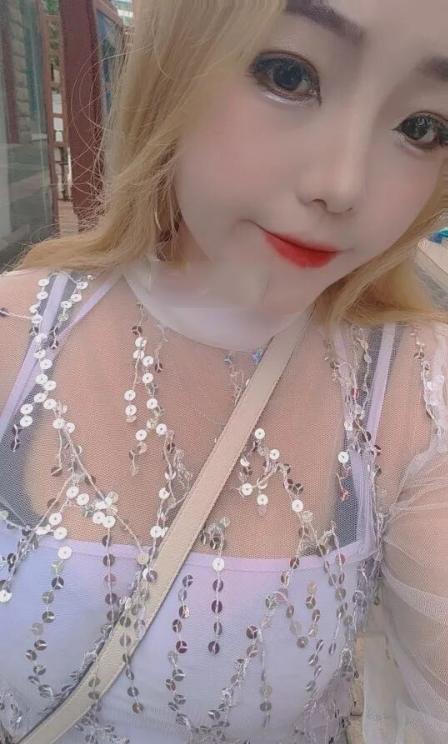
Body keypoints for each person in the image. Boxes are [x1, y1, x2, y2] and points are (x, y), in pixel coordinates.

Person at [0, 1, 447, 742]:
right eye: (288, 75)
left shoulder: (416, 386)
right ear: (174, 62)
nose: (342, 185)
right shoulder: (15, 332)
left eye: (422, 126)